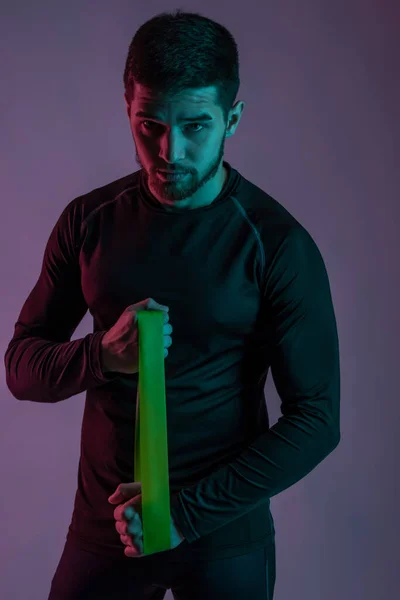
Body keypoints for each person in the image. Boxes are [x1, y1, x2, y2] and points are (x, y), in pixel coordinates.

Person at [4, 9, 341, 600]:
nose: (171, 151)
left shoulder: (276, 243)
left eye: (196, 126)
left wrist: (182, 514)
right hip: (105, 532)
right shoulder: (88, 223)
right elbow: (21, 368)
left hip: (221, 538)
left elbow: (316, 420)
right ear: (128, 110)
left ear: (232, 118)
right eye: (150, 126)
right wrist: (101, 358)